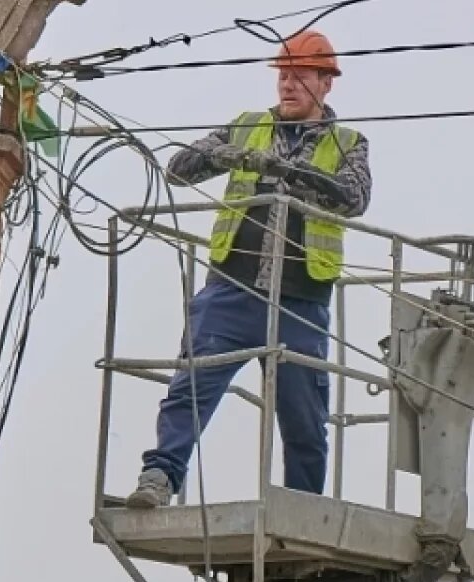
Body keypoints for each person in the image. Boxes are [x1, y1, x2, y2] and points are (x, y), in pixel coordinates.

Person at [127, 29, 373, 508]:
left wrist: (285, 173)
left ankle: (303, 507)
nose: (288, 84)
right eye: (283, 75)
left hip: (300, 302)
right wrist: (221, 155)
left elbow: (354, 196)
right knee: (191, 387)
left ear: (326, 83)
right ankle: (158, 478)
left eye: (301, 76)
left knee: (304, 418)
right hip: (232, 292)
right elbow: (178, 169)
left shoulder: (348, 143)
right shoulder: (245, 126)